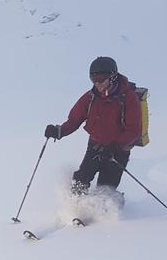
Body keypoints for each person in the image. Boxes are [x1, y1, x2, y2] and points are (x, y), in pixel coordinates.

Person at [43, 56, 141, 194]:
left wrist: (116, 146)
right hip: (96, 146)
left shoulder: (128, 98)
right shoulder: (90, 97)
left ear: (112, 77)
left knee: (105, 188)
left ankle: (108, 210)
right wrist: (58, 131)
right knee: (80, 179)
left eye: (101, 79)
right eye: (93, 79)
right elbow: (74, 120)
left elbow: (134, 130)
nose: (97, 83)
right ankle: (75, 208)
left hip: (118, 151)